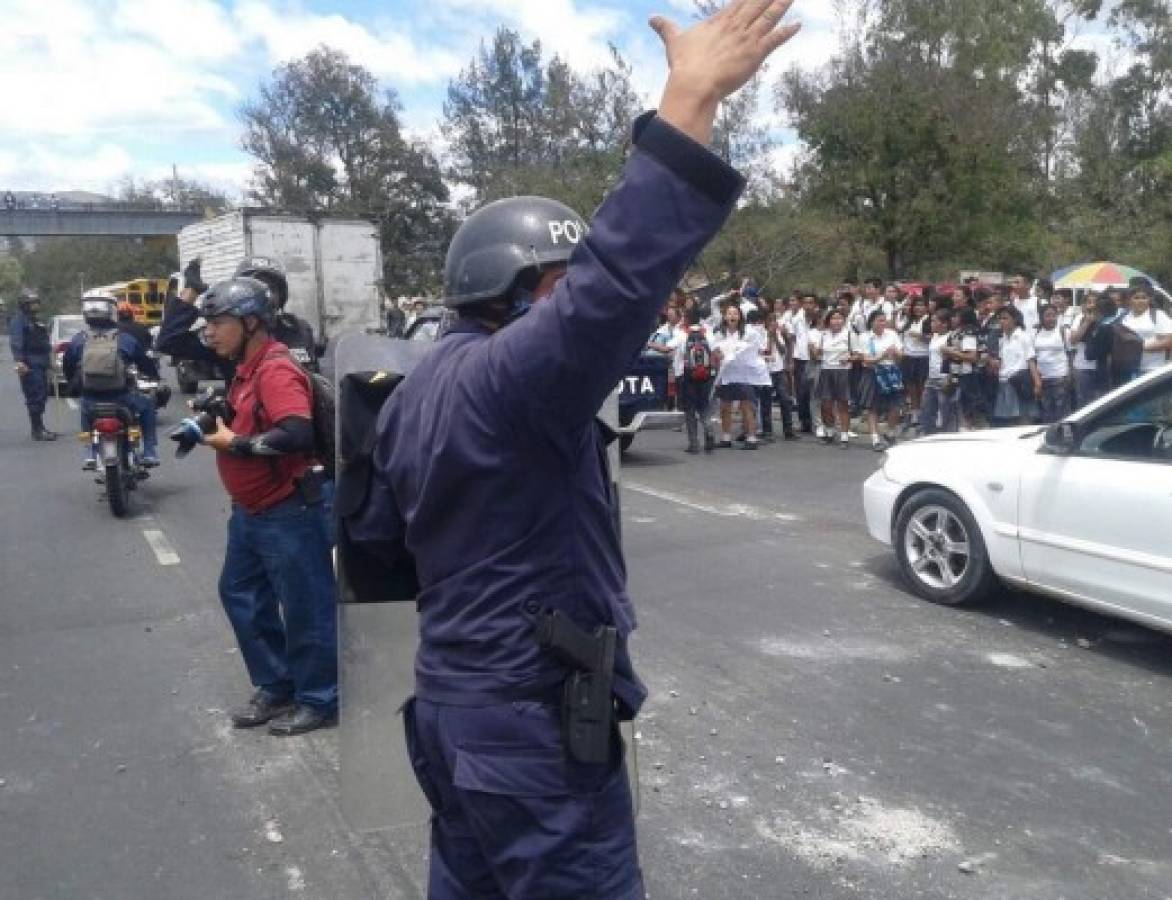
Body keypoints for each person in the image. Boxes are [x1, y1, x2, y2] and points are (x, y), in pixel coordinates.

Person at [346, 2, 800, 894]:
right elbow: (619, 280)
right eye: (558, 283)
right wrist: (690, 102)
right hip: (528, 733)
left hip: (450, 707)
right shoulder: (513, 381)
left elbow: (381, 548)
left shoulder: (413, 388)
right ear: (514, 291)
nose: (569, 306)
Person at [191, 277, 337, 737]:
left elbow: (297, 433)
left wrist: (238, 445)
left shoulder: (274, 369)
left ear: (251, 322)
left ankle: (319, 697)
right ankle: (277, 684)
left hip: (288, 511)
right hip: (250, 512)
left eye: (218, 323)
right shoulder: (244, 369)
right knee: (240, 594)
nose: (209, 333)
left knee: (305, 607)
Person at [62, 292, 161, 468]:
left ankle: (91, 454)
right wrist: (154, 376)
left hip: (91, 399)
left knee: (85, 412)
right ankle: (149, 452)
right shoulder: (125, 339)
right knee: (147, 405)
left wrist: (75, 385)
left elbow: (68, 366)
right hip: (122, 398)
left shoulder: (78, 340)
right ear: (111, 312)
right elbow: (144, 363)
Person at [8, 289, 58, 441]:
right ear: (24, 305)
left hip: (41, 363)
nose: (35, 306)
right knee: (35, 396)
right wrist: (20, 361)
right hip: (30, 364)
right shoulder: (19, 320)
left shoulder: (35, 320)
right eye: (32, 304)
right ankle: (37, 430)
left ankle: (40, 427)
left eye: (37, 303)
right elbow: (17, 342)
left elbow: (44, 342)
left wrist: (51, 362)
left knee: (42, 395)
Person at [713, 303, 764, 448]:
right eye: (729, 313)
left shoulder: (749, 332)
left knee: (746, 406)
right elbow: (715, 348)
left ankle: (752, 438)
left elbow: (758, 349)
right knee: (725, 406)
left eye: (735, 313)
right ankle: (726, 437)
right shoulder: (719, 332)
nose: (732, 316)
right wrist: (721, 355)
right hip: (726, 373)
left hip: (744, 374)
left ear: (740, 316)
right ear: (725, 316)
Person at [858, 309, 903, 450]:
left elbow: (901, 355)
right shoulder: (865, 337)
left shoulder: (892, 334)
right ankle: (875, 438)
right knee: (873, 407)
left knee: (895, 405)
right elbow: (866, 359)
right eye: (880, 320)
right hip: (873, 372)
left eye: (884, 320)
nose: (883, 323)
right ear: (872, 322)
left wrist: (895, 353)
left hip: (891, 371)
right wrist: (882, 356)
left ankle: (890, 432)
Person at [992, 306, 1040, 427]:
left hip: (1019, 381)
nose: (1002, 322)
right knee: (1009, 420)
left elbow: (1031, 359)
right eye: (1000, 319)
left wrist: (1037, 383)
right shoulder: (1002, 339)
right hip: (1004, 381)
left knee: (1024, 417)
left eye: (1005, 318)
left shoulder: (1023, 336)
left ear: (1015, 319)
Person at [679, 308, 718, 453]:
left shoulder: (682, 335)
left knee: (690, 410)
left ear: (687, 318)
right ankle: (709, 434)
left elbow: (671, 351)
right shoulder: (708, 333)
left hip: (688, 377)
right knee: (704, 407)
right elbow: (716, 354)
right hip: (706, 377)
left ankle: (694, 444)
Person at [814, 308, 854, 445]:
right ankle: (830, 431)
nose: (836, 321)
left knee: (843, 404)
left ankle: (844, 435)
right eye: (833, 318)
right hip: (826, 370)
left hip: (843, 371)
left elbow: (858, 354)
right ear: (828, 321)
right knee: (826, 404)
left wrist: (849, 359)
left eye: (839, 318)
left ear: (843, 320)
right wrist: (817, 352)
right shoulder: (824, 335)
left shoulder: (849, 334)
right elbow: (818, 354)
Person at [1119, 284, 1172, 377]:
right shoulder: (1123, 318)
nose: (1140, 301)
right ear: (1129, 300)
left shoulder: (1158, 315)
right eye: (1136, 298)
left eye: (1144, 298)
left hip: (1153, 369)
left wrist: (1139, 347)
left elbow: (1169, 341)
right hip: (1128, 370)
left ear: (1149, 299)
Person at [920, 310, 959, 436]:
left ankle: (949, 435)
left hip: (944, 378)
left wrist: (951, 377)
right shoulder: (935, 337)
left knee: (946, 410)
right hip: (931, 377)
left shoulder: (951, 337)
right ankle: (929, 434)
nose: (932, 323)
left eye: (935, 321)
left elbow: (954, 359)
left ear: (944, 324)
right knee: (926, 409)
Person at [763, 309, 798, 440]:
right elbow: (766, 351)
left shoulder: (778, 334)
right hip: (765, 372)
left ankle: (788, 429)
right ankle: (767, 431)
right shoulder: (761, 334)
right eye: (770, 320)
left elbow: (783, 350)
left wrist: (777, 337)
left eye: (774, 320)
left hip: (778, 371)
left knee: (785, 399)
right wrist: (769, 337)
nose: (773, 323)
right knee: (766, 402)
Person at [896, 296, 929, 431]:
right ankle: (914, 413)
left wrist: (920, 336)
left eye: (921, 305)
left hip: (923, 356)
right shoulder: (908, 321)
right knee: (911, 386)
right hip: (908, 356)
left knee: (922, 386)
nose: (918, 308)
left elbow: (932, 337)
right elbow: (897, 329)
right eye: (916, 305)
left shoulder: (928, 320)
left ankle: (923, 412)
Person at [1069, 292, 1104, 408]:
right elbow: (1073, 340)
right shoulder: (1079, 318)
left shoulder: (1105, 318)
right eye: (1089, 302)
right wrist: (1086, 322)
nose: (1092, 305)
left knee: (1100, 402)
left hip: (1101, 366)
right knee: (1083, 402)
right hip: (1082, 367)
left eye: (1095, 302)